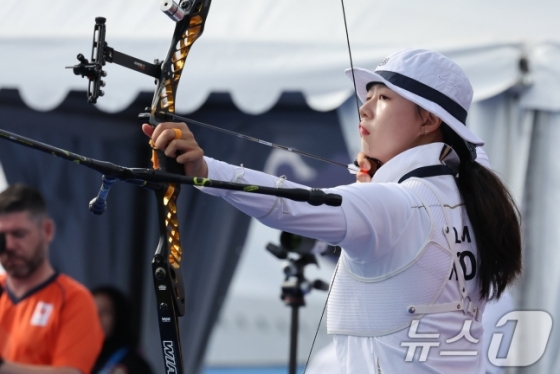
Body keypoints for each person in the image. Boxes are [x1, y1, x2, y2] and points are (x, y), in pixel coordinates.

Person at [143, 49, 522, 373]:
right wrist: (375, 180)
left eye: (384, 98)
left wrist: (206, 171)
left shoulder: (400, 204)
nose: (365, 108)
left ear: (428, 120)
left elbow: (292, 203)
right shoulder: (466, 195)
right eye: (368, 96)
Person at [0, 184, 104, 373]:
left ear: (47, 230)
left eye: (19, 234)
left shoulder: (74, 299)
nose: (9, 246)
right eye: (1, 237)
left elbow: (71, 372)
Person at [91, 286, 153, 374]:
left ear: (120, 317)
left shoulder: (134, 365)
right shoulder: (77, 357)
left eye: (105, 311)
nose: (97, 317)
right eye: (91, 310)